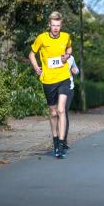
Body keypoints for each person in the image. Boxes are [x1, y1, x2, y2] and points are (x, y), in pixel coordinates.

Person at [29, 11, 72, 159]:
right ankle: (55, 141)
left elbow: (69, 48)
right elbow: (31, 54)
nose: (55, 28)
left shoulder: (66, 36)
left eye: (58, 25)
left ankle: (61, 145)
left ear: (61, 25)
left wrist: (67, 56)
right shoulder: (42, 38)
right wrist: (37, 68)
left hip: (63, 77)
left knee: (61, 110)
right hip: (48, 80)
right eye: (53, 25)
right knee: (53, 113)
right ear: (49, 25)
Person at [63, 55, 79, 150]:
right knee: (56, 113)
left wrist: (75, 71)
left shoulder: (71, 58)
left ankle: (63, 140)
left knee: (63, 112)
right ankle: (58, 139)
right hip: (55, 87)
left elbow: (77, 70)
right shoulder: (53, 54)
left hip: (69, 88)